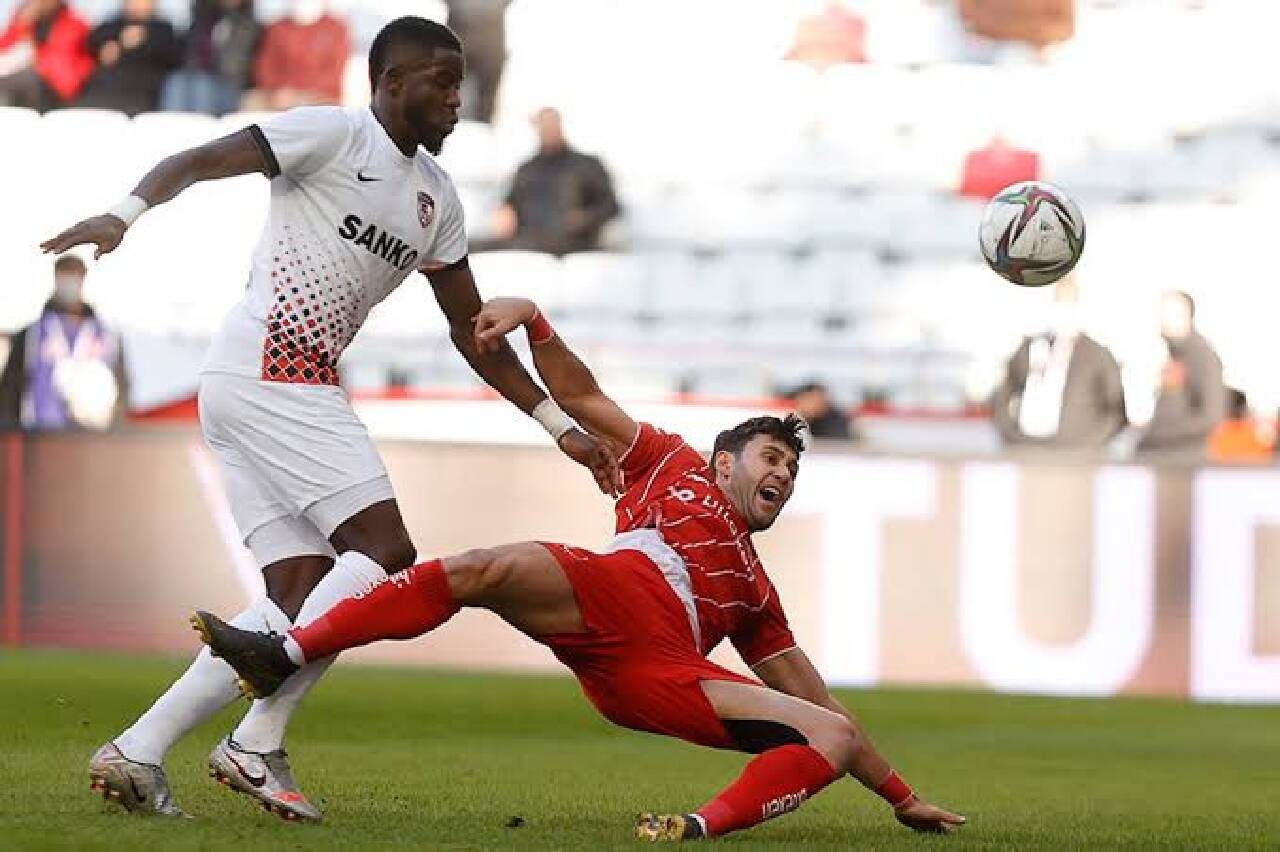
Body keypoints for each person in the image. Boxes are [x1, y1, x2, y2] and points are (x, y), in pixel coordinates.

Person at [41, 16, 618, 822]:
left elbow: (472, 333)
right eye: (441, 84)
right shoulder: (330, 135)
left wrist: (560, 425)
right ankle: (255, 742)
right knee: (382, 556)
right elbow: (201, 158)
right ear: (389, 82)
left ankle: (138, 749)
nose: (457, 101)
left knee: (301, 588)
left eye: (461, 85)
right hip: (270, 369)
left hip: (261, 381)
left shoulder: (436, 202)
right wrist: (125, 211)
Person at [193, 296, 966, 842]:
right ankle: (282, 653)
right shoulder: (669, 464)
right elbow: (580, 395)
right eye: (773, 458)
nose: (784, 476)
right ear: (725, 461)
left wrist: (904, 797)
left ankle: (698, 827)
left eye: (793, 471)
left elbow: (824, 706)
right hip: (604, 590)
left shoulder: (757, 591)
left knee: (825, 734)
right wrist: (533, 318)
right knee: (484, 567)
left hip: (660, 670)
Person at [991, 277, 1126, 450]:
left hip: (1076, 457)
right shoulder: (1031, 347)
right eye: (1059, 302)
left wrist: (1090, 444)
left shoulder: (1097, 355)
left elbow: (1115, 410)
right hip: (1028, 451)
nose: (1063, 310)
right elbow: (1003, 394)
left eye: (1069, 303)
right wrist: (1012, 435)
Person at [0, 254, 128, 430]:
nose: (69, 284)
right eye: (64, 276)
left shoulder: (107, 336)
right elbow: (10, 390)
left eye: (74, 276)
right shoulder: (31, 335)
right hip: (40, 436)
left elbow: (122, 390)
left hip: (93, 439)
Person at [474, 107, 619, 256]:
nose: (548, 130)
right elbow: (511, 203)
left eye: (552, 124)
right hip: (527, 237)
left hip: (572, 242)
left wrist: (584, 219)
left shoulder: (587, 165)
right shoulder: (528, 168)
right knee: (469, 247)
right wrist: (506, 212)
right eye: (544, 126)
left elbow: (611, 206)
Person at [1136, 290, 1226, 459]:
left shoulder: (1201, 355)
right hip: (1166, 456)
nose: (1161, 320)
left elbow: (1211, 416)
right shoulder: (1175, 354)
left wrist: (1158, 433)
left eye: (1168, 313)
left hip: (1185, 461)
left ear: (1185, 315)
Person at [76, 0, 181, 116]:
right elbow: (91, 46)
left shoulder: (163, 30)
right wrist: (120, 44)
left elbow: (175, 57)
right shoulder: (109, 27)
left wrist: (143, 38)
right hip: (99, 94)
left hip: (139, 99)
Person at [240, 0, 347, 111]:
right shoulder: (278, 28)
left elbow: (334, 72)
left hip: (319, 97)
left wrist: (299, 93)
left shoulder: (335, 29)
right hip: (278, 95)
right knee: (250, 102)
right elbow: (264, 66)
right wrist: (277, 90)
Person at [159, 0, 260, 116]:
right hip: (196, 76)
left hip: (229, 82)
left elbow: (235, 64)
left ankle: (202, 129)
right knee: (176, 81)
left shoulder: (247, 24)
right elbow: (190, 53)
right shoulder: (204, 21)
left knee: (203, 85)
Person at [0, 0, 93, 112]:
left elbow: (58, 61)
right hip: (32, 82)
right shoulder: (29, 21)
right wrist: (21, 24)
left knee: (25, 79)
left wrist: (35, 57)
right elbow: (3, 47)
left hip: (61, 88)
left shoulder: (74, 22)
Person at [1206, 389, 1270, 464]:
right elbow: (1265, 459)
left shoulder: (1219, 432)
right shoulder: (1255, 431)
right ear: (1244, 407)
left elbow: (1214, 458)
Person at [786, 381, 854, 441]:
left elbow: (835, 443)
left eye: (818, 400)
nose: (814, 405)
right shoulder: (790, 418)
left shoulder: (836, 420)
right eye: (809, 400)